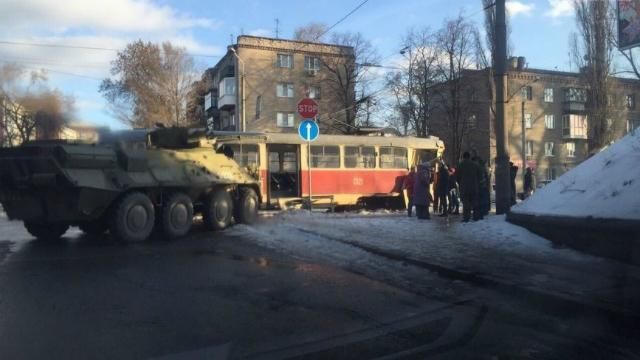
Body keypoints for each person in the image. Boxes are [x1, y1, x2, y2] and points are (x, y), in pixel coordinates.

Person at [457, 152, 482, 222]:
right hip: (474, 187)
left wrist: (460, 183)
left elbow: (457, 176)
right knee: (475, 203)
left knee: (466, 203)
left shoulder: (461, 165)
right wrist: (477, 182)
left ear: (463, 157)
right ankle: (476, 216)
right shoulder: (475, 165)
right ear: (469, 157)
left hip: (464, 187)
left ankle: (466, 218)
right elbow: (480, 175)